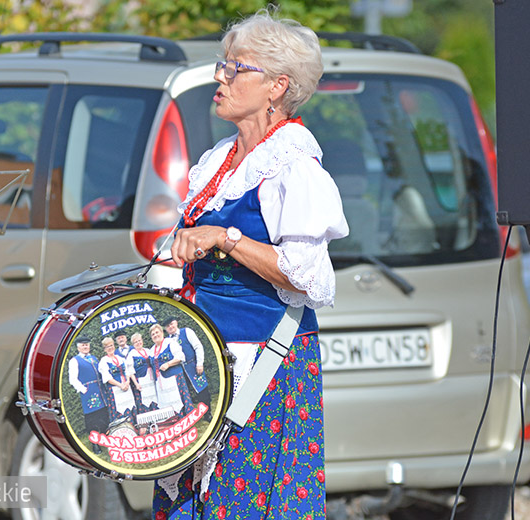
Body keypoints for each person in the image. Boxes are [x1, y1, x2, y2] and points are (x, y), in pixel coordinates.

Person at [153, 8, 348, 520]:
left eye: (236, 69)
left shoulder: (293, 168)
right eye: (224, 65)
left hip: (262, 362)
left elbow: (306, 275)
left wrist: (227, 237)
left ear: (276, 87)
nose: (221, 78)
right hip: (203, 363)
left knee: (245, 503)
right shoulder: (220, 160)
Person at [68, 336, 109, 454]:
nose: (85, 346)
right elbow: (73, 379)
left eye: (87, 344)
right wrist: (83, 389)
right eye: (82, 345)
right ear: (78, 347)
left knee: (103, 415)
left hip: (101, 391)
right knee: (92, 418)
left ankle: (105, 439)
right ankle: (95, 444)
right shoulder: (74, 361)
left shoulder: (94, 358)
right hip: (89, 393)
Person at [162, 317, 211, 414]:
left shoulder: (187, 332)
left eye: (171, 323)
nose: (170, 327)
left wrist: (199, 363)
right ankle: (188, 415)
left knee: (202, 389)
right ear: (166, 329)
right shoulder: (166, 341)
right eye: (168, 326)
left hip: (192, 366)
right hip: (178, 370)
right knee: (184, 393)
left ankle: (207, 413)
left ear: (176, 322)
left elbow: (198, 347)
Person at [148, 323, 194, 416]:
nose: (155, 335)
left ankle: (184, 418)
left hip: (174, 377)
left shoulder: (170, 342)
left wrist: (168, 364)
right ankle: (172, 420)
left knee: (178, 400)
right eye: (153, 334)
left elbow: (181, 357)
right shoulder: (152, 350)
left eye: (157, 332)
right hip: (161, 382)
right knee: (166, 401)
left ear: (162, 332)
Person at [97, 337, 138, 426]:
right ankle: (123, 430)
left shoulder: (120, 358)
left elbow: (127, 371)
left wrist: (127, 382)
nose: (110, 348)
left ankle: (135, 427)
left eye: (111, 345)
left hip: (126, 387)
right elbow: (107, 378)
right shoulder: (104, 361)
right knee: (120, 409)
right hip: (115, 389)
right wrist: (120, 385)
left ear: (114, 346)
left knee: (130, 406)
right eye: (107, 346)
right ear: (104, 349)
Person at [126, 332, 159, 414]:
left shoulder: (148, 351)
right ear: (133, 344)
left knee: (155, 397)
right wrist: (136, 384)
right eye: (135, 342)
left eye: (139, 340)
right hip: (141, 379)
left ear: (142, 341)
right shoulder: (132, 354)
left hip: (151, 378)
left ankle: (159, 419)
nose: (138, 343)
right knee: (145, 400)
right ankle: (148, 422)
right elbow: (130, 371)